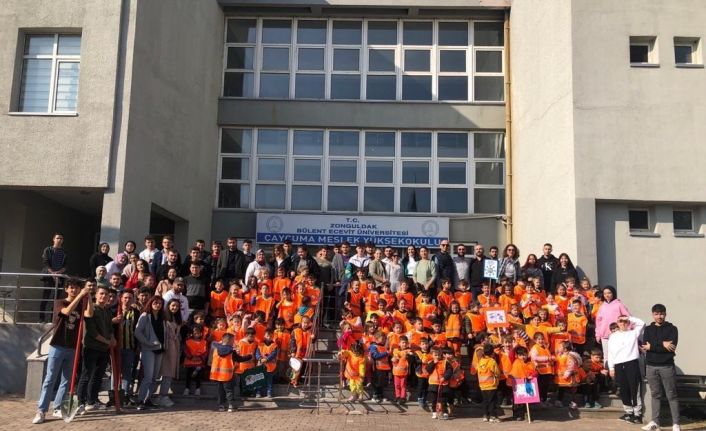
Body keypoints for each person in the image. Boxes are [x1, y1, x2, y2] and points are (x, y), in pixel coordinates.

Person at [32, 279, 93, 424]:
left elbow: (89, 314)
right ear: (66, 289)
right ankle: (41, 410)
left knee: (66, 380)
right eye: (71, 288)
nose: (74, 290)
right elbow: (66, 312)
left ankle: (58, 407)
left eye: (76, 288)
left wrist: (89, 296)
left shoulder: (81, 304)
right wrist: (80, 296)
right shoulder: (59, 302)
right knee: (50, 379)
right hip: (58, 345)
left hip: (72, 347)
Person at [641, 304, 680, 431]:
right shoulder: (648, 329)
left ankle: (676, 424)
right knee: (655, 395)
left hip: (667, 366)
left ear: (665, 314)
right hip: (651, 366)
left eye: (661, 314)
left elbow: (671, 348)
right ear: (653, 315)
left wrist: (652, 346)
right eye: (656, 314)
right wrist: (662, 343)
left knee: (671, 395)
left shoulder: (672, 329)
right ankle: (655, 422)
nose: (659, 316)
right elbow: (645, 346)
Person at [76, 284, 114, 415]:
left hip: (104, 349)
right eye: (101, 293)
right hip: (91, 347)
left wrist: (112, 338)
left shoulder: (107, 311)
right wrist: (107, 341)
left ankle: (91, 401)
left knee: (97, 376)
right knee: (86, 375)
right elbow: (92, 331)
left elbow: (110, 328)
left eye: (106, 294)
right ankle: (80, 402)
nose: (104, 296)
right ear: (96, 295)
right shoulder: (91, 309)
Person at [608, 315, 646, 424]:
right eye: (621, 321)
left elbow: (642, 323)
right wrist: (611, 367)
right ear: (617, 323)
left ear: (628, 323)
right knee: (623, 389)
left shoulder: (633, 333)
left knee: (634, 388)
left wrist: (628, 318)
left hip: (631, 363)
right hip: (618, 364)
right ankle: (628, 412)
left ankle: (637, 414)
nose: (623, 323)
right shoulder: (613, 336)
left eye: (625, 321)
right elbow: (610, 352)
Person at [134, 295, 165, 410]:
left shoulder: (162, 317)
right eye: (155, 303)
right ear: (151, 304)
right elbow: (137, 332)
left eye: (160, 303)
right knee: (148, 376)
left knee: (154, 377)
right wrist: (147, 343)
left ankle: (147, 399)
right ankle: (140, 400)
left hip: (160, 349)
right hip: (148, 350)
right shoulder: (145, 316)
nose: (157, 305)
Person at [210, 332, 253, 412]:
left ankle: (221, 406)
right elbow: (239, 359)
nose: (234, 342)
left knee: (220, 391)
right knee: (229, 391)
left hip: (217, 375)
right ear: (230, 341)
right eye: (233, 340)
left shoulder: (215, 349)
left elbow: (214, 345)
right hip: (227, 375)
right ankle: (231, 406)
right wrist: (249, 356)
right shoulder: (231, 351)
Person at [595, 285, 630, 363]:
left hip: (617, 334)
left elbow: (628, 317)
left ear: (613, 293)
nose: (607, 295)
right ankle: (608, 370)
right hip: (605, 335)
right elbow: (598, 322)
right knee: (607, 356)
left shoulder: (619, 305)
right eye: (605, 293)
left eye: (609, 293)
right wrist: (598, 334)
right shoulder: (602, 306)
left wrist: (627, 330)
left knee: (618, 355)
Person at [40, 233, 68, 322]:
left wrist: (58, 273)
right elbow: (45, 262)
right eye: (57, 238)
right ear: (54, 239)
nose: (59, 240)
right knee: (45, 297)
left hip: (59, 277)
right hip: (49, 277)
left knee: (56, 299)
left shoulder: (64, 252)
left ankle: (52, 319)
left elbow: (66, 265)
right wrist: (52, 273)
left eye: (61, 238)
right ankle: (41, 319)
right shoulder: (48, 250)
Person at [477, 343, 501, 422]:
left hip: (482, 385)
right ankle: (492, 416)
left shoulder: (480, 361)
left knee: (485, 401)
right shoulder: (492, 361)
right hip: (491, 385)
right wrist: (497, 377)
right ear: (492, 353)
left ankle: (485, 415)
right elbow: (497, 372)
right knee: (492, 401)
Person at [184, 325, 208, 396]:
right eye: (195, 333)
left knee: (198, 375)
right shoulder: (188, 341)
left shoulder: (204, 342)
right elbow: (186, 351)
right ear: (192, 334)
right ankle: (187, 388)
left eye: (198, 333)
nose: (196, 334)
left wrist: (201, 357)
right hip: (190, 361)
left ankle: (198, 389)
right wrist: (191, 357)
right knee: (188, 374)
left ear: (201, 333)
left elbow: (206, 352)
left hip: (200, 362)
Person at [368, 331, 391, 402]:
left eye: (384, 339)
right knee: (377, 382)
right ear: (376, 339)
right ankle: (375, 395)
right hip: (376, 368)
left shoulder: (384, 347)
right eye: (382, 339)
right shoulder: (373, 346)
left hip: (384, 367)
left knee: (382, 382)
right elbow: (375, 356)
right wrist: (386, 353)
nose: (384, 340)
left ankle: (381, 395)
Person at [255, 329, 279, 398]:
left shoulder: (274, 345)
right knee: (259, 379)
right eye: (267, 336)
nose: (269, 337)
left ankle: (269, 392)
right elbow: (257, 353)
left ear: (273, 336)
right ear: (264, 336)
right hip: (261, 365)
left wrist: (267, 359)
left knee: (269, 381)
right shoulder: (260, 344)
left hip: (270, 367)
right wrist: (260, 359)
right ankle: (258, 392)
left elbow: (273, 354)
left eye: (271, 336)